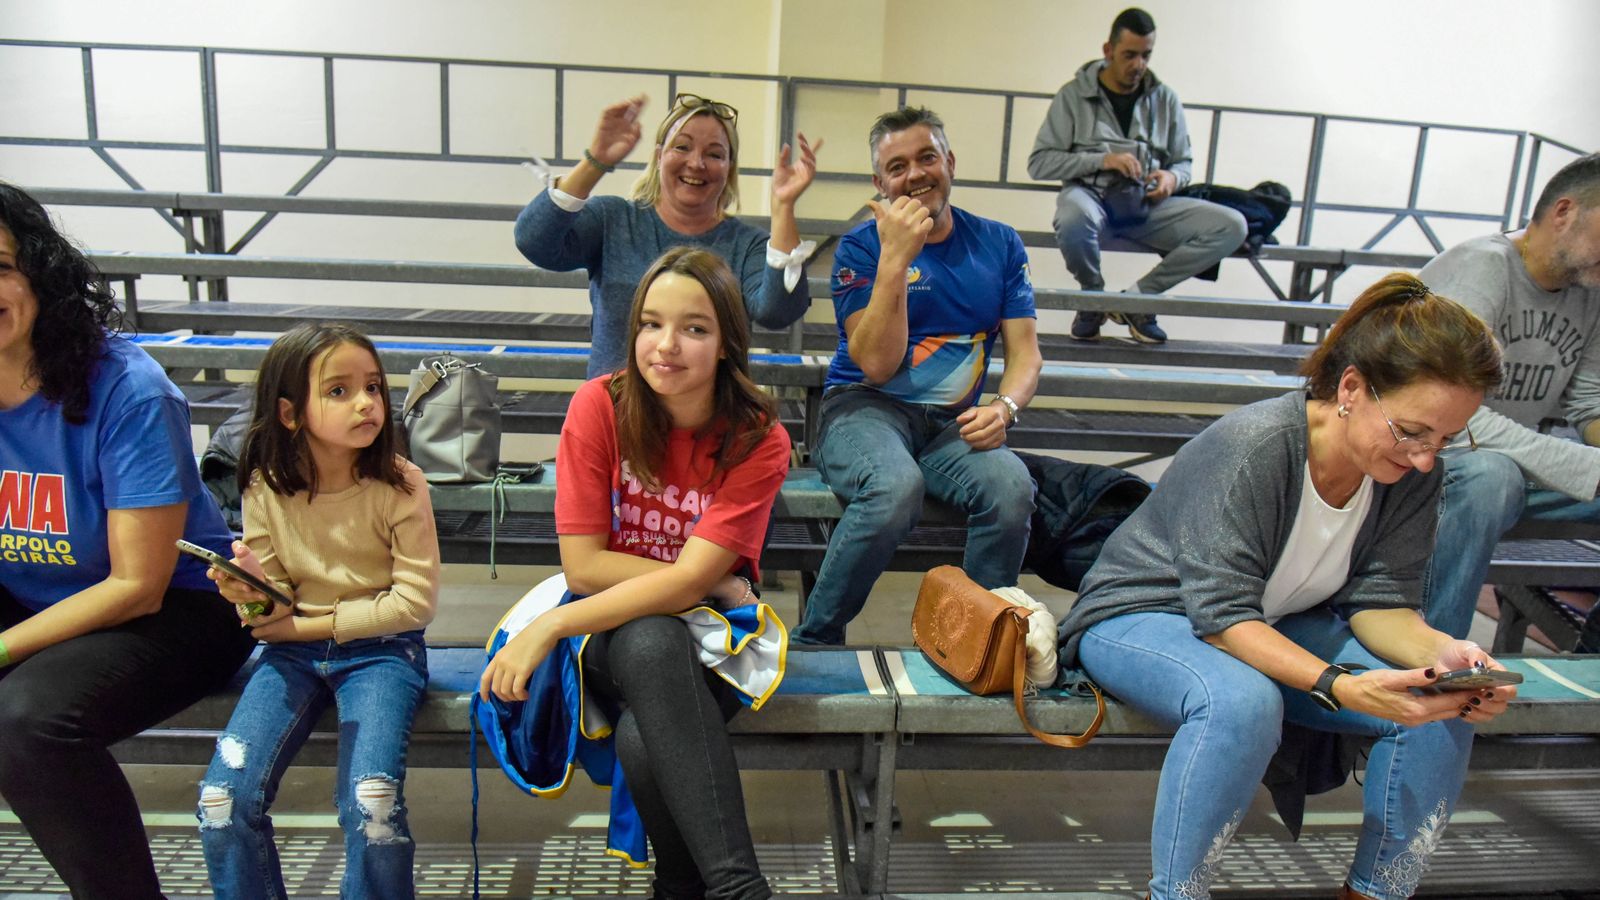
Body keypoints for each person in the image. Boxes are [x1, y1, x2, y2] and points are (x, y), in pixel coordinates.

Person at [1058, 273, 1516, 900]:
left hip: (1267, 618)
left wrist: (1449, 656)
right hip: (1145, 614)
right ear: (1351, 388)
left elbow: (1381, 605)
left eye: (1445, 438)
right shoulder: (1257, 446)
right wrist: (1338, 683)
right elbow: (1222, 619)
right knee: (1243, 702)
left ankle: (1376, 892)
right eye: (1412, 431)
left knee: (1441, 704)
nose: (1425, 456)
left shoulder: (1412, 474)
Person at [480, 247, 791, 899]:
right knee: (650, 638)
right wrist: (701, 578)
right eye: (651, 323)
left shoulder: (758, 436)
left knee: (644, 739)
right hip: (606, 626)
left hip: (714, 629)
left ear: (727, 344)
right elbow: (584, 567)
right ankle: (741, 889)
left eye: (694, 328)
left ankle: (680, 889)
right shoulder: (600, 405)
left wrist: (555, 625)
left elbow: (685, 589)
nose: (666, 345)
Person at [0, 181, 255, 899]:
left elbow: (135, 584)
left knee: (25, 722)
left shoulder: (127, 390)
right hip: (37, 595)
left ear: (40, 274)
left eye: (0, 267)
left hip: (177, 607)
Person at [196, 323, 440, 899]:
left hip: (383, 653)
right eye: (338, 391)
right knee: (221, 802)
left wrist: (301, 624)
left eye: (373, 387)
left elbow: (414, 604)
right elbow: (272, 609)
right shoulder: (264, 486)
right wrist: (250, 591)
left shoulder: (402, 484)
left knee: (372, 801)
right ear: (289, 413)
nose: (366, 403)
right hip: (293, 654)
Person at [791, 106, 1042, 646]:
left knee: (1011, 487)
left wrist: (1005, 408)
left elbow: (1026, 354)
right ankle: (816, 637)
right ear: (880, 183)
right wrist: (895, 261)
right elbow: (877, 365)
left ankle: (974, 645)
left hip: (951, 425)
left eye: (927, 157)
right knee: (894, 488)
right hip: (864, 409)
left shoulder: (1000, 243)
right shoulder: (861, 247)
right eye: (897, 167)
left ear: (950, 163)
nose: (916, 174)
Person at [1417, 152, 1600, 639]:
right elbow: (1452, 419)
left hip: (1514, 467)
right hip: (1424, 461)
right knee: (1490, 477)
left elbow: (1588, 403)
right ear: (1565, 212)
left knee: (1501, 473)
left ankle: (1593, 651)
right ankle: (1431, 658)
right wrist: (1590, 467)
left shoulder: (1591, 290)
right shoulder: (1480, 268)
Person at [514, 93, 822, 376]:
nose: (696, 163)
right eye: (682, 147)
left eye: (714, 154)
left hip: (712, 413)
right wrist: (596, 160)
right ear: (659, 155)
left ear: (729, 168)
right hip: (615, 407)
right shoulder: (613, 219)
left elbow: (778, 312)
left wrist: (783, 207)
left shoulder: (747, 245)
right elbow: (534, 241)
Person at [1027, 7, 1247, 344]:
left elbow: (1183, 163)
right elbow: (1040, 163)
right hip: (1091, 198)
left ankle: (1138, 301)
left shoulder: (1166, 99)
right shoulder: (1072, 95)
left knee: (1232, 225)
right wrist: (1103, 160)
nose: (1138, 65)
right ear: (1108, 50)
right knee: (1071, 217)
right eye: (1129, 55)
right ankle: (1093, 300)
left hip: (1146, 203)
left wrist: (1171, 178)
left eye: (1146, 55)